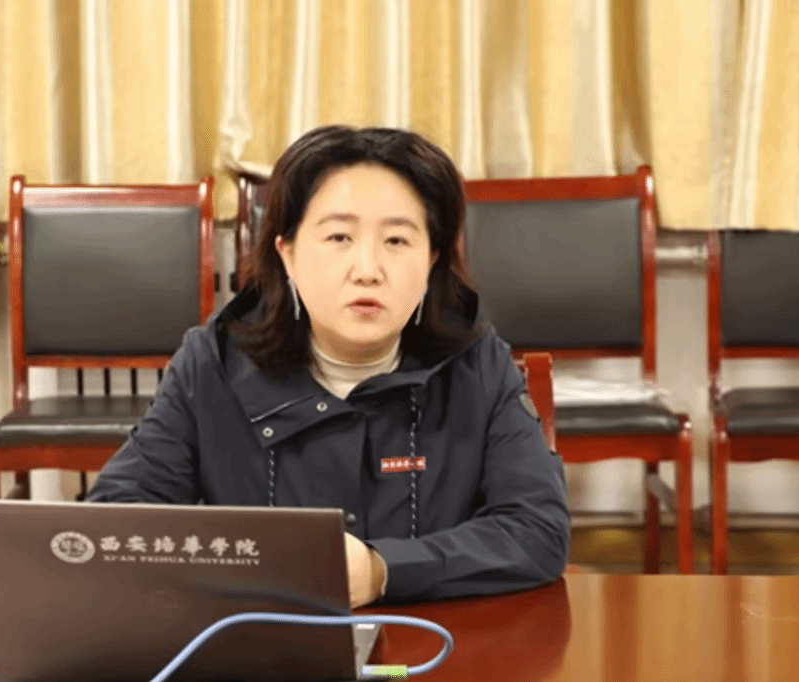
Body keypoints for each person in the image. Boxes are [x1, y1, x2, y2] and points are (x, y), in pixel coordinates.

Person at [88, 125, 570, 606]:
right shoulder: (213, 364)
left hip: (430, 646)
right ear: (288, 254)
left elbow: (537, 530)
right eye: (339, 236)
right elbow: (116, 521)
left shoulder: (477, 363)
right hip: (261, 640)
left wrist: (383, 570)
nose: (368, 270)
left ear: (431, 260)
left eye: (397, 241)